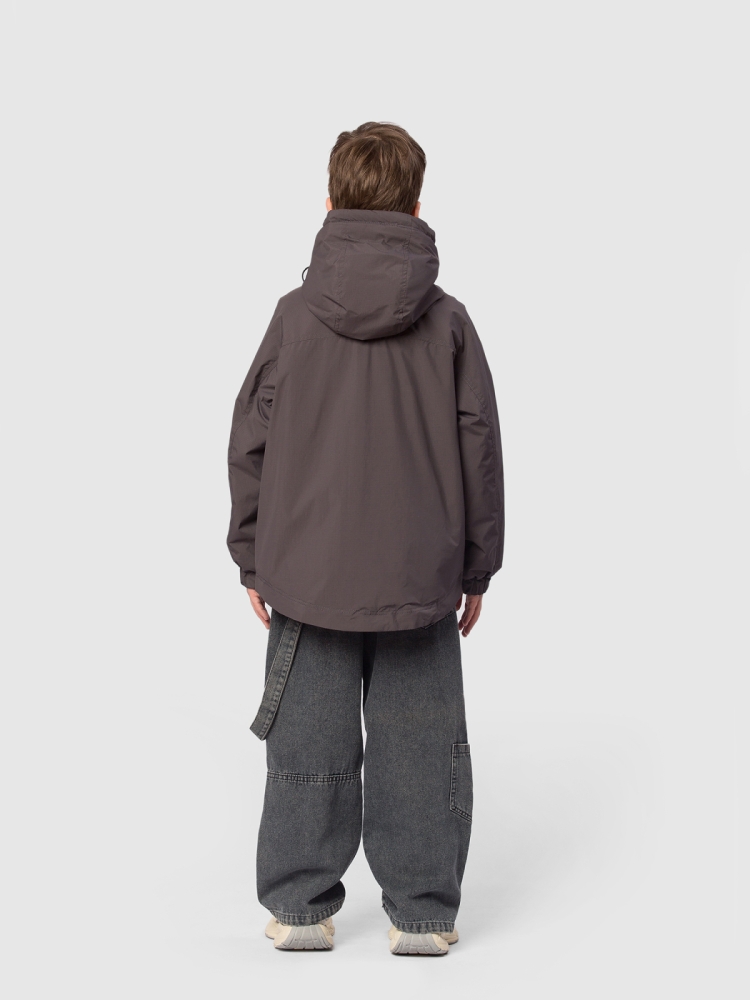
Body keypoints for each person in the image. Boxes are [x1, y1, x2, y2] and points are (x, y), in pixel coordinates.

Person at [227, 122, 504, 955]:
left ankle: (299, 908)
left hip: (306, 573)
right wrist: (477, 567)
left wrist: (250, 552)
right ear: (417, 209)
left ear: (329, 202)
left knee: (306, 742)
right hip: (420, 574)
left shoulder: (294, 317)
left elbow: (251, 440)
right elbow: (479, 449)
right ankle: (422, 914)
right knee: (421, 747)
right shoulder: (448, 323)